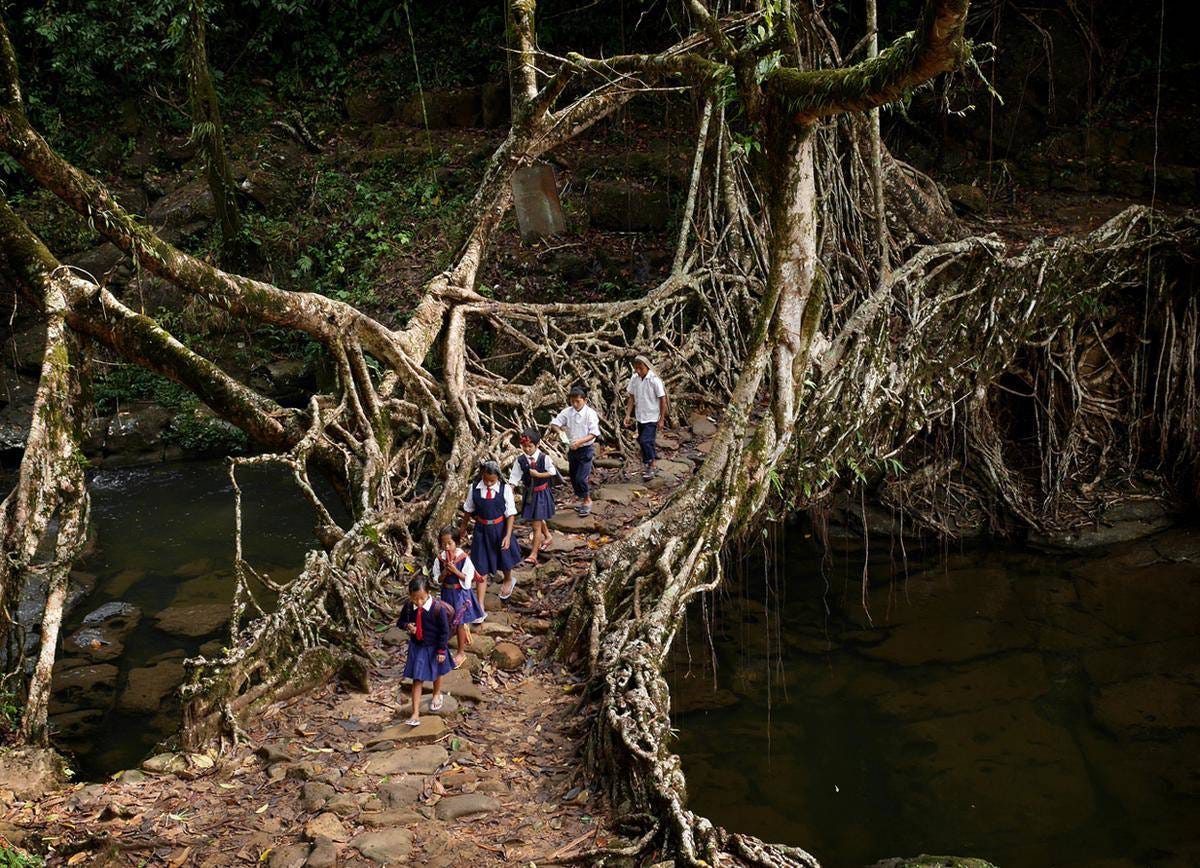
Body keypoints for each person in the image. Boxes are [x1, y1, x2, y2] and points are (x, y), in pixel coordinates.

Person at [459, 459, 523, 605]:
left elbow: (510, 514)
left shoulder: (504, 489)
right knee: (480, 564)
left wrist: (507, 535)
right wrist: (463, 527)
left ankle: (507, 580)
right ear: (482, 475)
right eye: (486, 480)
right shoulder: (474, 488)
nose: (488, 483)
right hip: (481, 529)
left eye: (492, 481)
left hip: (499, 528)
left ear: (498, 478)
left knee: (504, 557)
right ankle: (480, 605)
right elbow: (468, 509)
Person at [396, 575, 454, 726]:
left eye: (421, 598)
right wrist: (408, 626)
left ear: (428, 592)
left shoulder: (437, 608)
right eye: (415, 598)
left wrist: (442, 650)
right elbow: (400, 622)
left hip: (435, 646)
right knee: (417, 678)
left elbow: (444, 631)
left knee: (437, 672)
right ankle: (415, 714)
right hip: (418, 647)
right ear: (410, 596)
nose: (419, 602)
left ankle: (436, 693)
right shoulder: (409, 607)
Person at [433, 526, 483, 667]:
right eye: (444, 544)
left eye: (450, 543)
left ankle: (461, 652)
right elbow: (436, 579)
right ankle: (443, 649)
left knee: (459, 621)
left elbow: (468, 580)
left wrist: (455, 571)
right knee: (445, 619)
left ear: (456, 542)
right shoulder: (440, 560)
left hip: (459, 593)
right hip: (446, 592)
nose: (447, 546)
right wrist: (445, 573)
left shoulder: (463, 558)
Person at [549, 386, 600, 516]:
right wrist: (560, 432)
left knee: (581, 477)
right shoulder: (567, 412)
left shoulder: (590, 414)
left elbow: (594, 433)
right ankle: (582, 499)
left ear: (585, 400)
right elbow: (555, 423)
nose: (575, 404)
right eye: (572, 401)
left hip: (586, 448)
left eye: (578, 401)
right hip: (572, 449)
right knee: (573, 476)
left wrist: (580, 442)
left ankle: (587, 500)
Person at [508, 429, 557, 564]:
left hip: (541, 493)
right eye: (524, 447)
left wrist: (539, 475)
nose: (527, 449)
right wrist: (510, 490)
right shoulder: (521, 460)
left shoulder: (544, 458)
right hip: (529, 493)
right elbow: (514, 476)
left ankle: (534, 554)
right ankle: (547, 535)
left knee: (536, 525)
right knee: (537, 517)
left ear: (537, 445)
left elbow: (552, 472)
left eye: (530, 446)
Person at [624, 354, 668, 481]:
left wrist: (661, 418)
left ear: (647, 367)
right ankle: (650, 461)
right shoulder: (634, 379)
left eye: (640, 368)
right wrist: (628, 414)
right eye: (636, 368)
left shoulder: (654, 380)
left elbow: (662, 399)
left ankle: (652, 465)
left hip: (652, 416)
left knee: (645, 441)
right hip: (640, 416)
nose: (638, 371)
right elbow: (631, 397)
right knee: (643, 441)